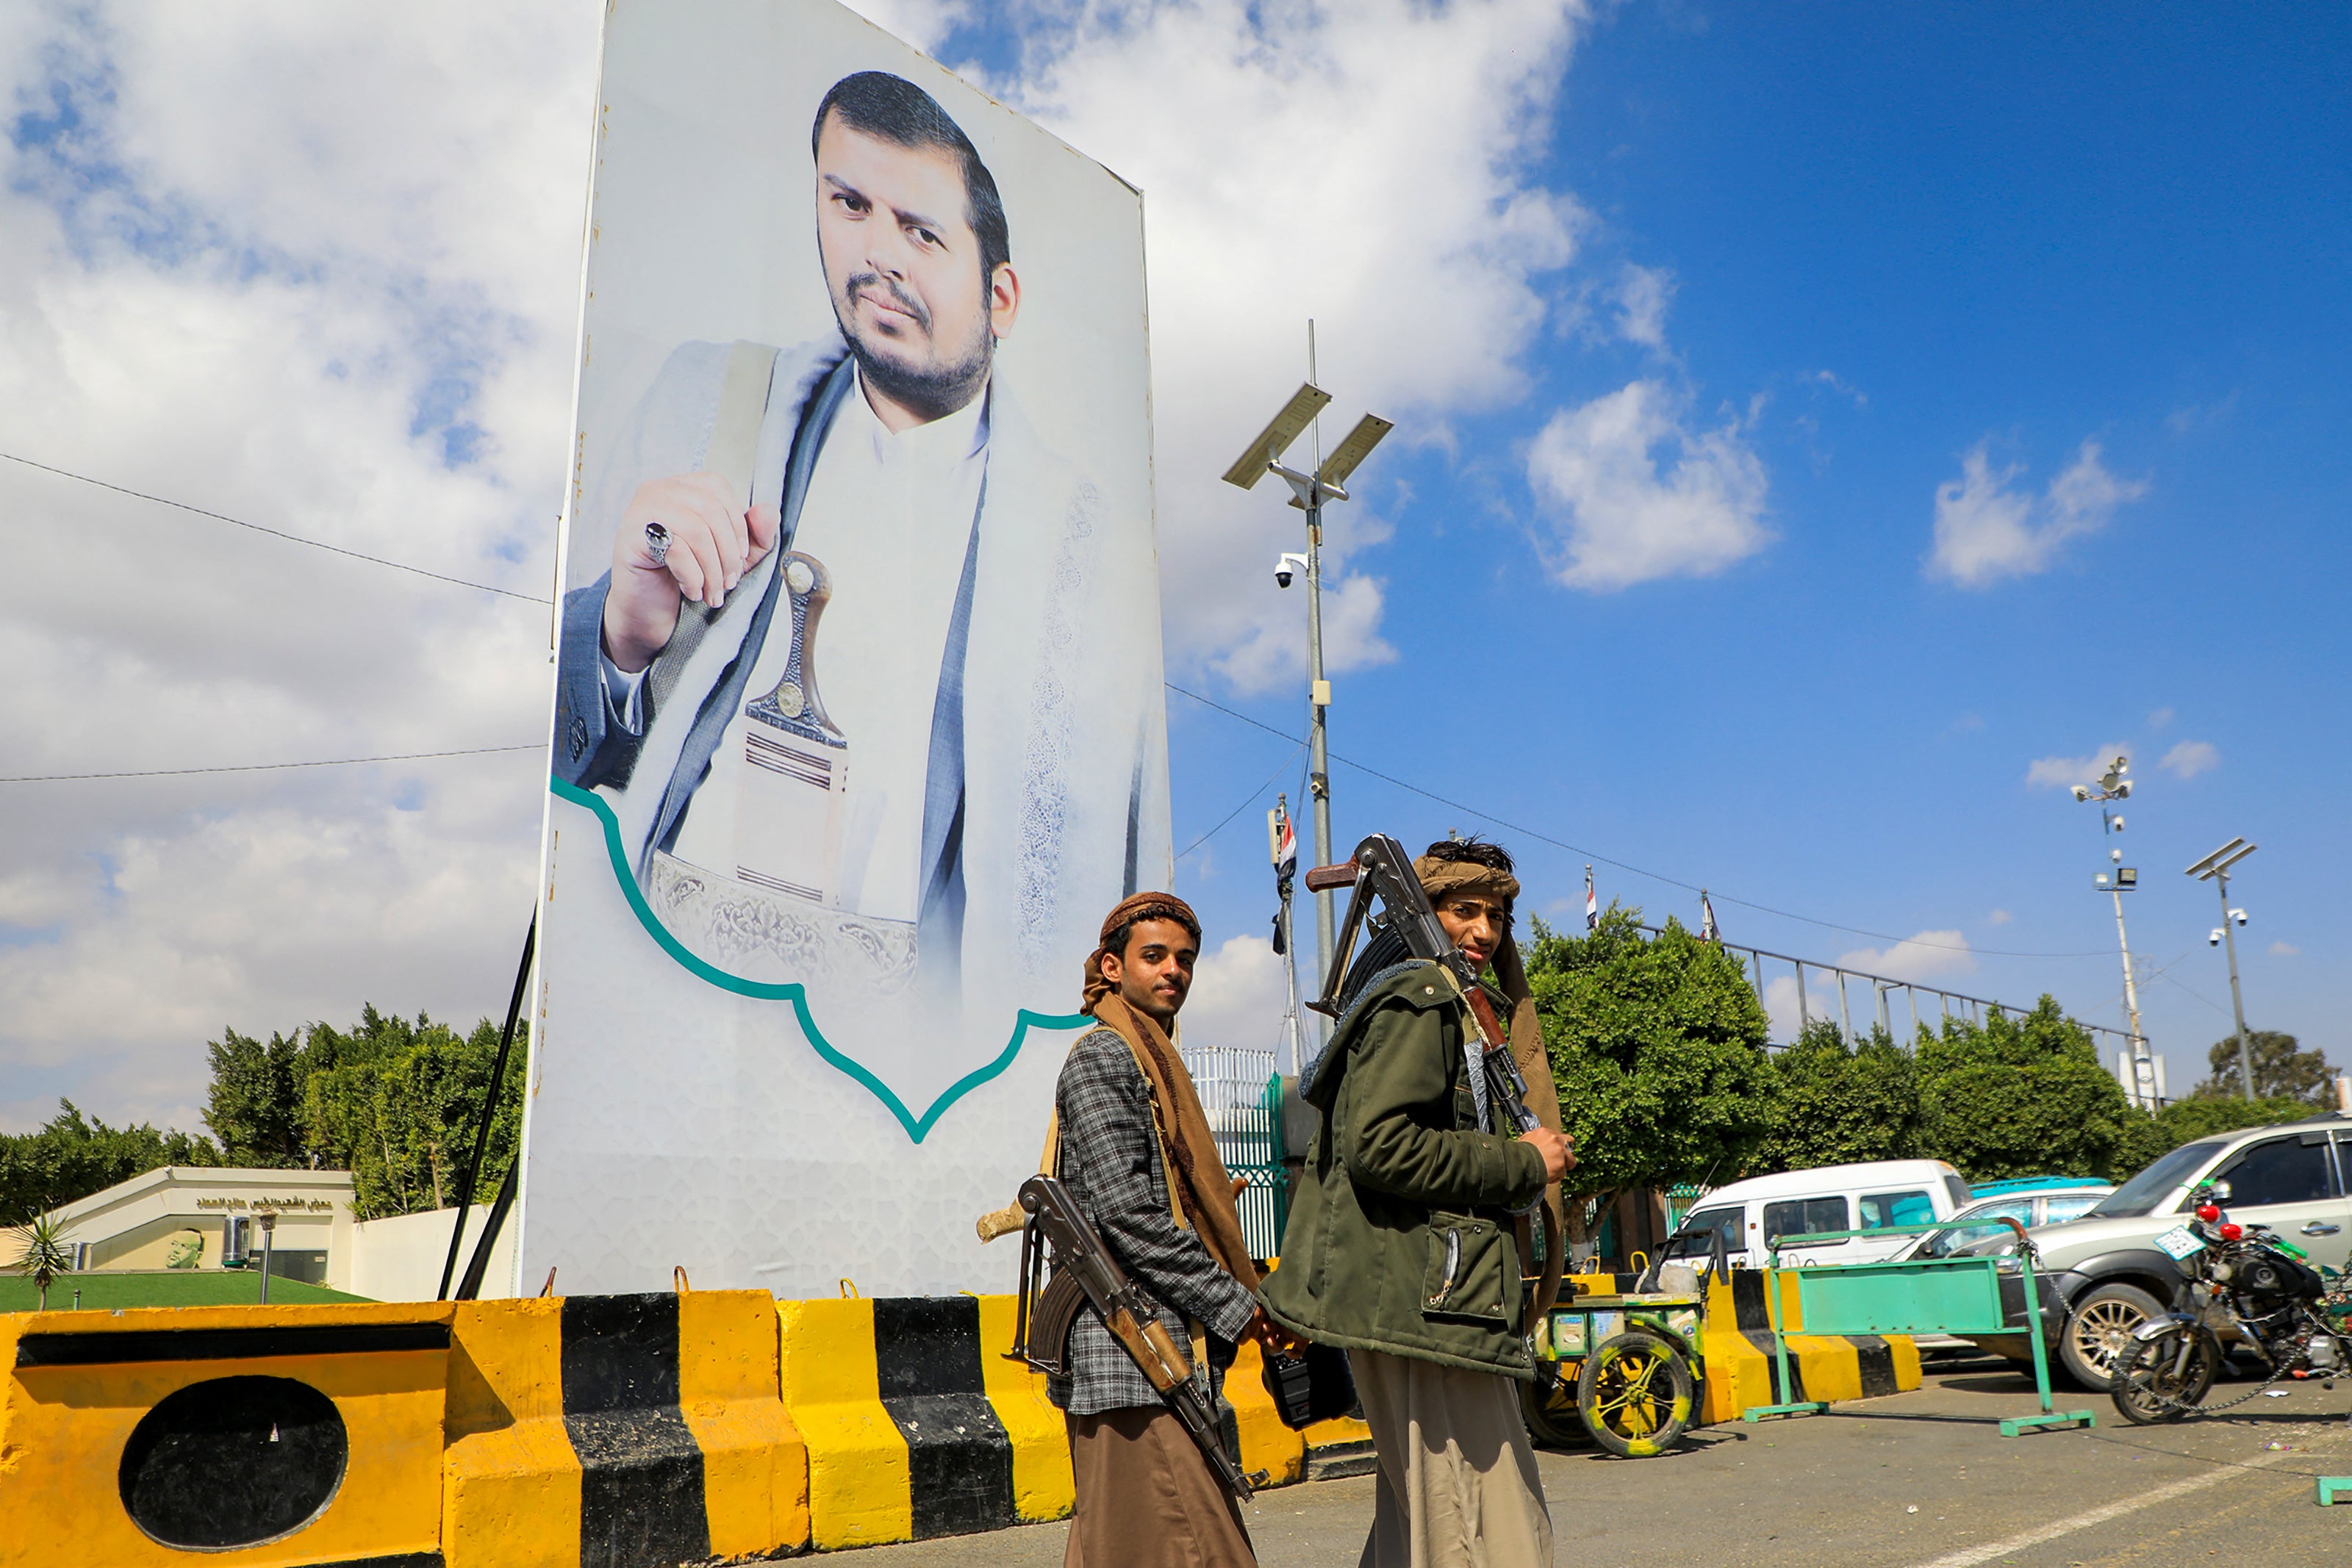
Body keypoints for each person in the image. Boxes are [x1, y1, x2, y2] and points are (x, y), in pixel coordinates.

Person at [553, 69, 1161, 1004]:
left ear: (1001, 297)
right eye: (849, 204)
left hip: (902, 1051)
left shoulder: (1085, 552)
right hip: (668, 985)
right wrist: (620, 642)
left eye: (921, 231)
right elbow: (568, 767)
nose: (877, 255)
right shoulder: (708, 405)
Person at [1261, 838, 1573, 1568]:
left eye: (1494, 914)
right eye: (1464, 910)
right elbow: (1379, 1145)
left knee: (1426, 1533)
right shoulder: (1420, 997)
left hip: (1439, 1304)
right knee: (1484, 1539)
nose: (1484, 931)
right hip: (1424, 1308)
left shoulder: (1447, 1001)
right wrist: (1522, 1161)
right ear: (1423, 914)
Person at [1047, 892, 1300, 1568]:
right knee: (1199, 1546)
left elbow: (1148, 1198)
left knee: (1121, 1544)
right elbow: (1128, 1214)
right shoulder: (1105, 1057)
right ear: (1112, 966)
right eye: (1154, 956)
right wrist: (1239, 1306)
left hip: (1157, 1351)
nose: (1174, 972)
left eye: (1184, 959)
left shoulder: (1154, 1059)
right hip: (1131, 1350)